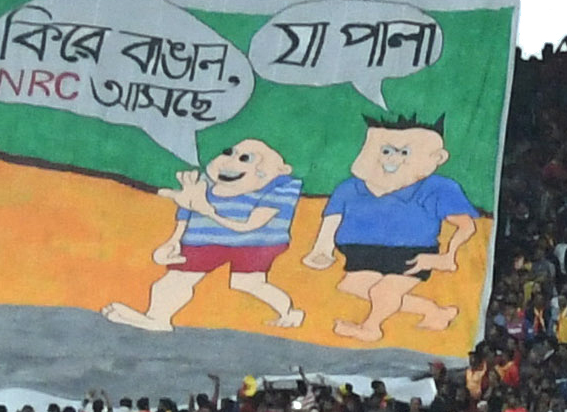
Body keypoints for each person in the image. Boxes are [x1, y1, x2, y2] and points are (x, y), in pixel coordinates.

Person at [303, 115, 478, 342]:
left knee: (382, 292)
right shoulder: (351, 188)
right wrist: (322, 249)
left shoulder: (435, 188)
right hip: (363, 254)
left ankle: (371, 328)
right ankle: (435, 311)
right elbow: (332, 218)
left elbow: (466, 225)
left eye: (404, 152)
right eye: (386, 151)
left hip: (412, 254)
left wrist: (447, 256)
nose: (393, 158)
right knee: (352, 285)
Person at [103, 139, 304, 330]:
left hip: (254, 244)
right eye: (229, 153)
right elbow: (188, 209)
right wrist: (175, 240)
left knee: (248, 283)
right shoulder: (205, 183)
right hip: (208, 239)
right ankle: (157, 319)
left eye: (246, 158)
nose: (231, 161)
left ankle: (289, 312)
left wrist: (208, 211)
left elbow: (248, 226)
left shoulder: (280, 189)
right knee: (176, 279)